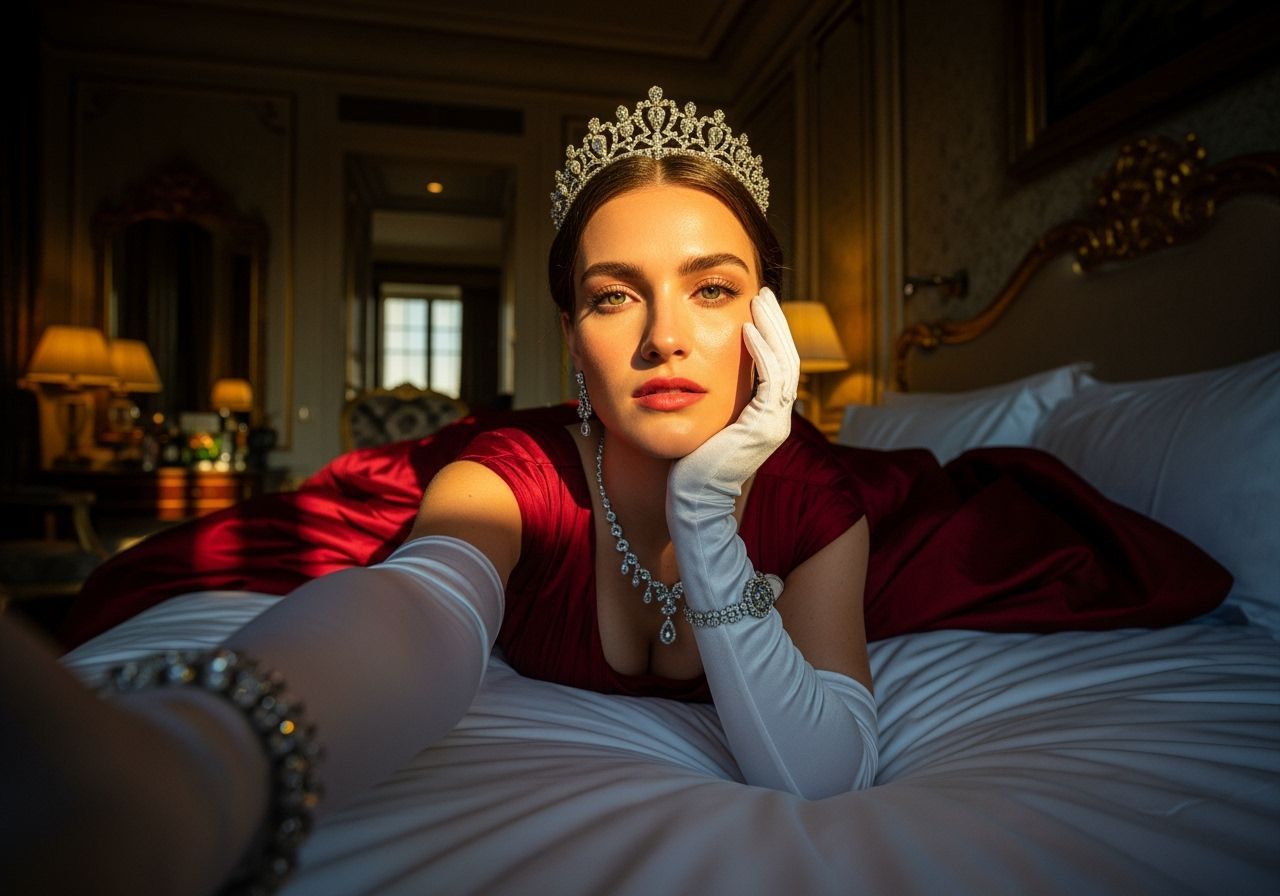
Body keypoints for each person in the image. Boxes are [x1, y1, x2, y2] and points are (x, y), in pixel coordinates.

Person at [0, 87, 877, 895]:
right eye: (615, 298)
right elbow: (421, 606)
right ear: (574, 338)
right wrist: (199, 769)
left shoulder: (817, 501)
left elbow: (825, 777)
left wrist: (705, 515)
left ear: (765, 322)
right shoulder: (507, 476)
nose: (664, 337)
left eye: (712, 289)